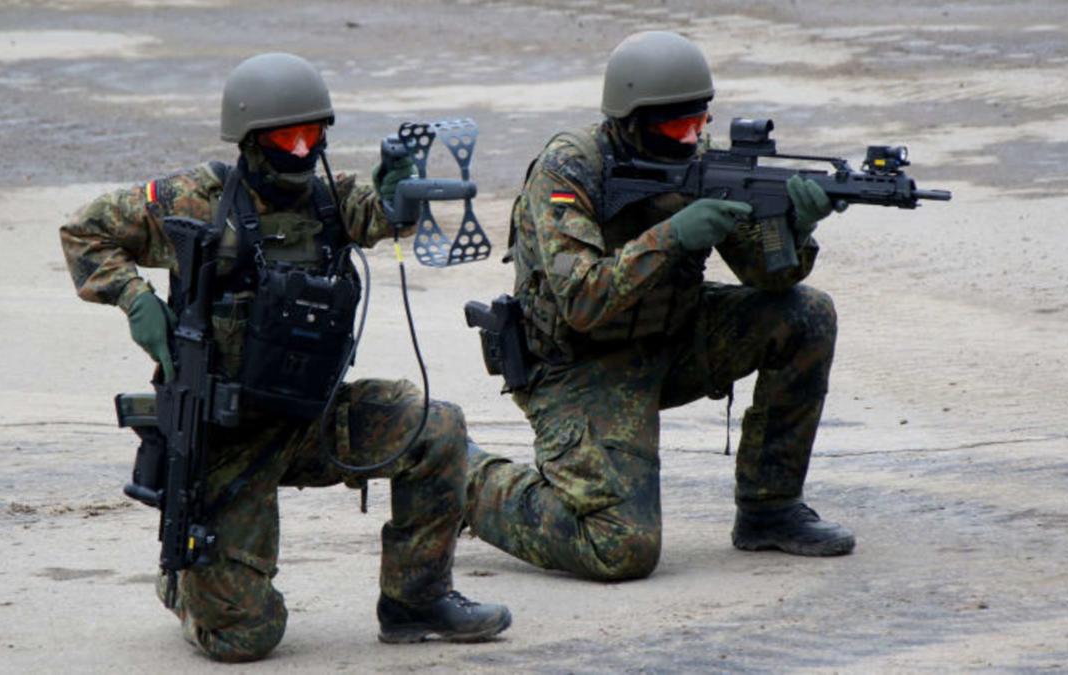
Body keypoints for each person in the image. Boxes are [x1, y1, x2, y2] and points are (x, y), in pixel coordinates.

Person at [60, 52, 510, 662]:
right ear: (250, 140)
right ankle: (186, 588)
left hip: (311, 418)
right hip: (229, 436)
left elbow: (376, 215)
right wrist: (132, 296)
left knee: (435, 426)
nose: (300, 150)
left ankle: (417, 602)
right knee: (244, 638)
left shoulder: (326, 200)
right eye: (284, 137)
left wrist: (397, 199)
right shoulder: (197, 199)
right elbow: (84, 231)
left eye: (311, 134)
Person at [464, 31, 855, 582]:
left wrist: (795, 224)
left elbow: (768, 279)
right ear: (632, 121)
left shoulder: (701, 162)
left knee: (804, 314)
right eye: (675, 127)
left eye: (700, 121)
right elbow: (581, 301)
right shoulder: (569, 169)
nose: (692, 137)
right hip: (578, 366)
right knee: (619, 549)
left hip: (670, 340)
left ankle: (770, 509)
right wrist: (673, 236)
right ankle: (461, 477)